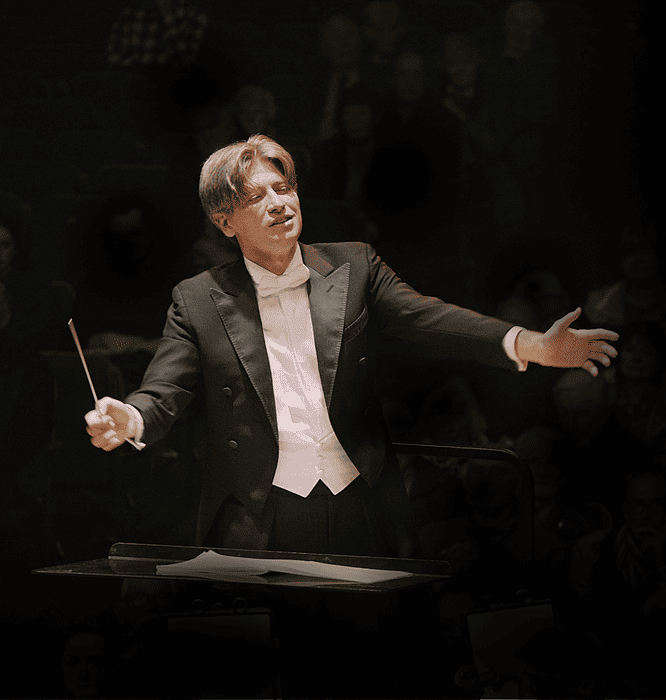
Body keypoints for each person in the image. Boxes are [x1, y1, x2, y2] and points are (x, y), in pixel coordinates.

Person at [83, 133, 619, 559]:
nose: (278, 203)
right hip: (257, 518)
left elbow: (430, 319)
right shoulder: (198, 300)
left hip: (360, 504)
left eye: (283, 188)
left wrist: (530, 343)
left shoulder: (355, 265)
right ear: (225, 222)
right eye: (256, 197)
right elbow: (165, 389)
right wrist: (130, 417)